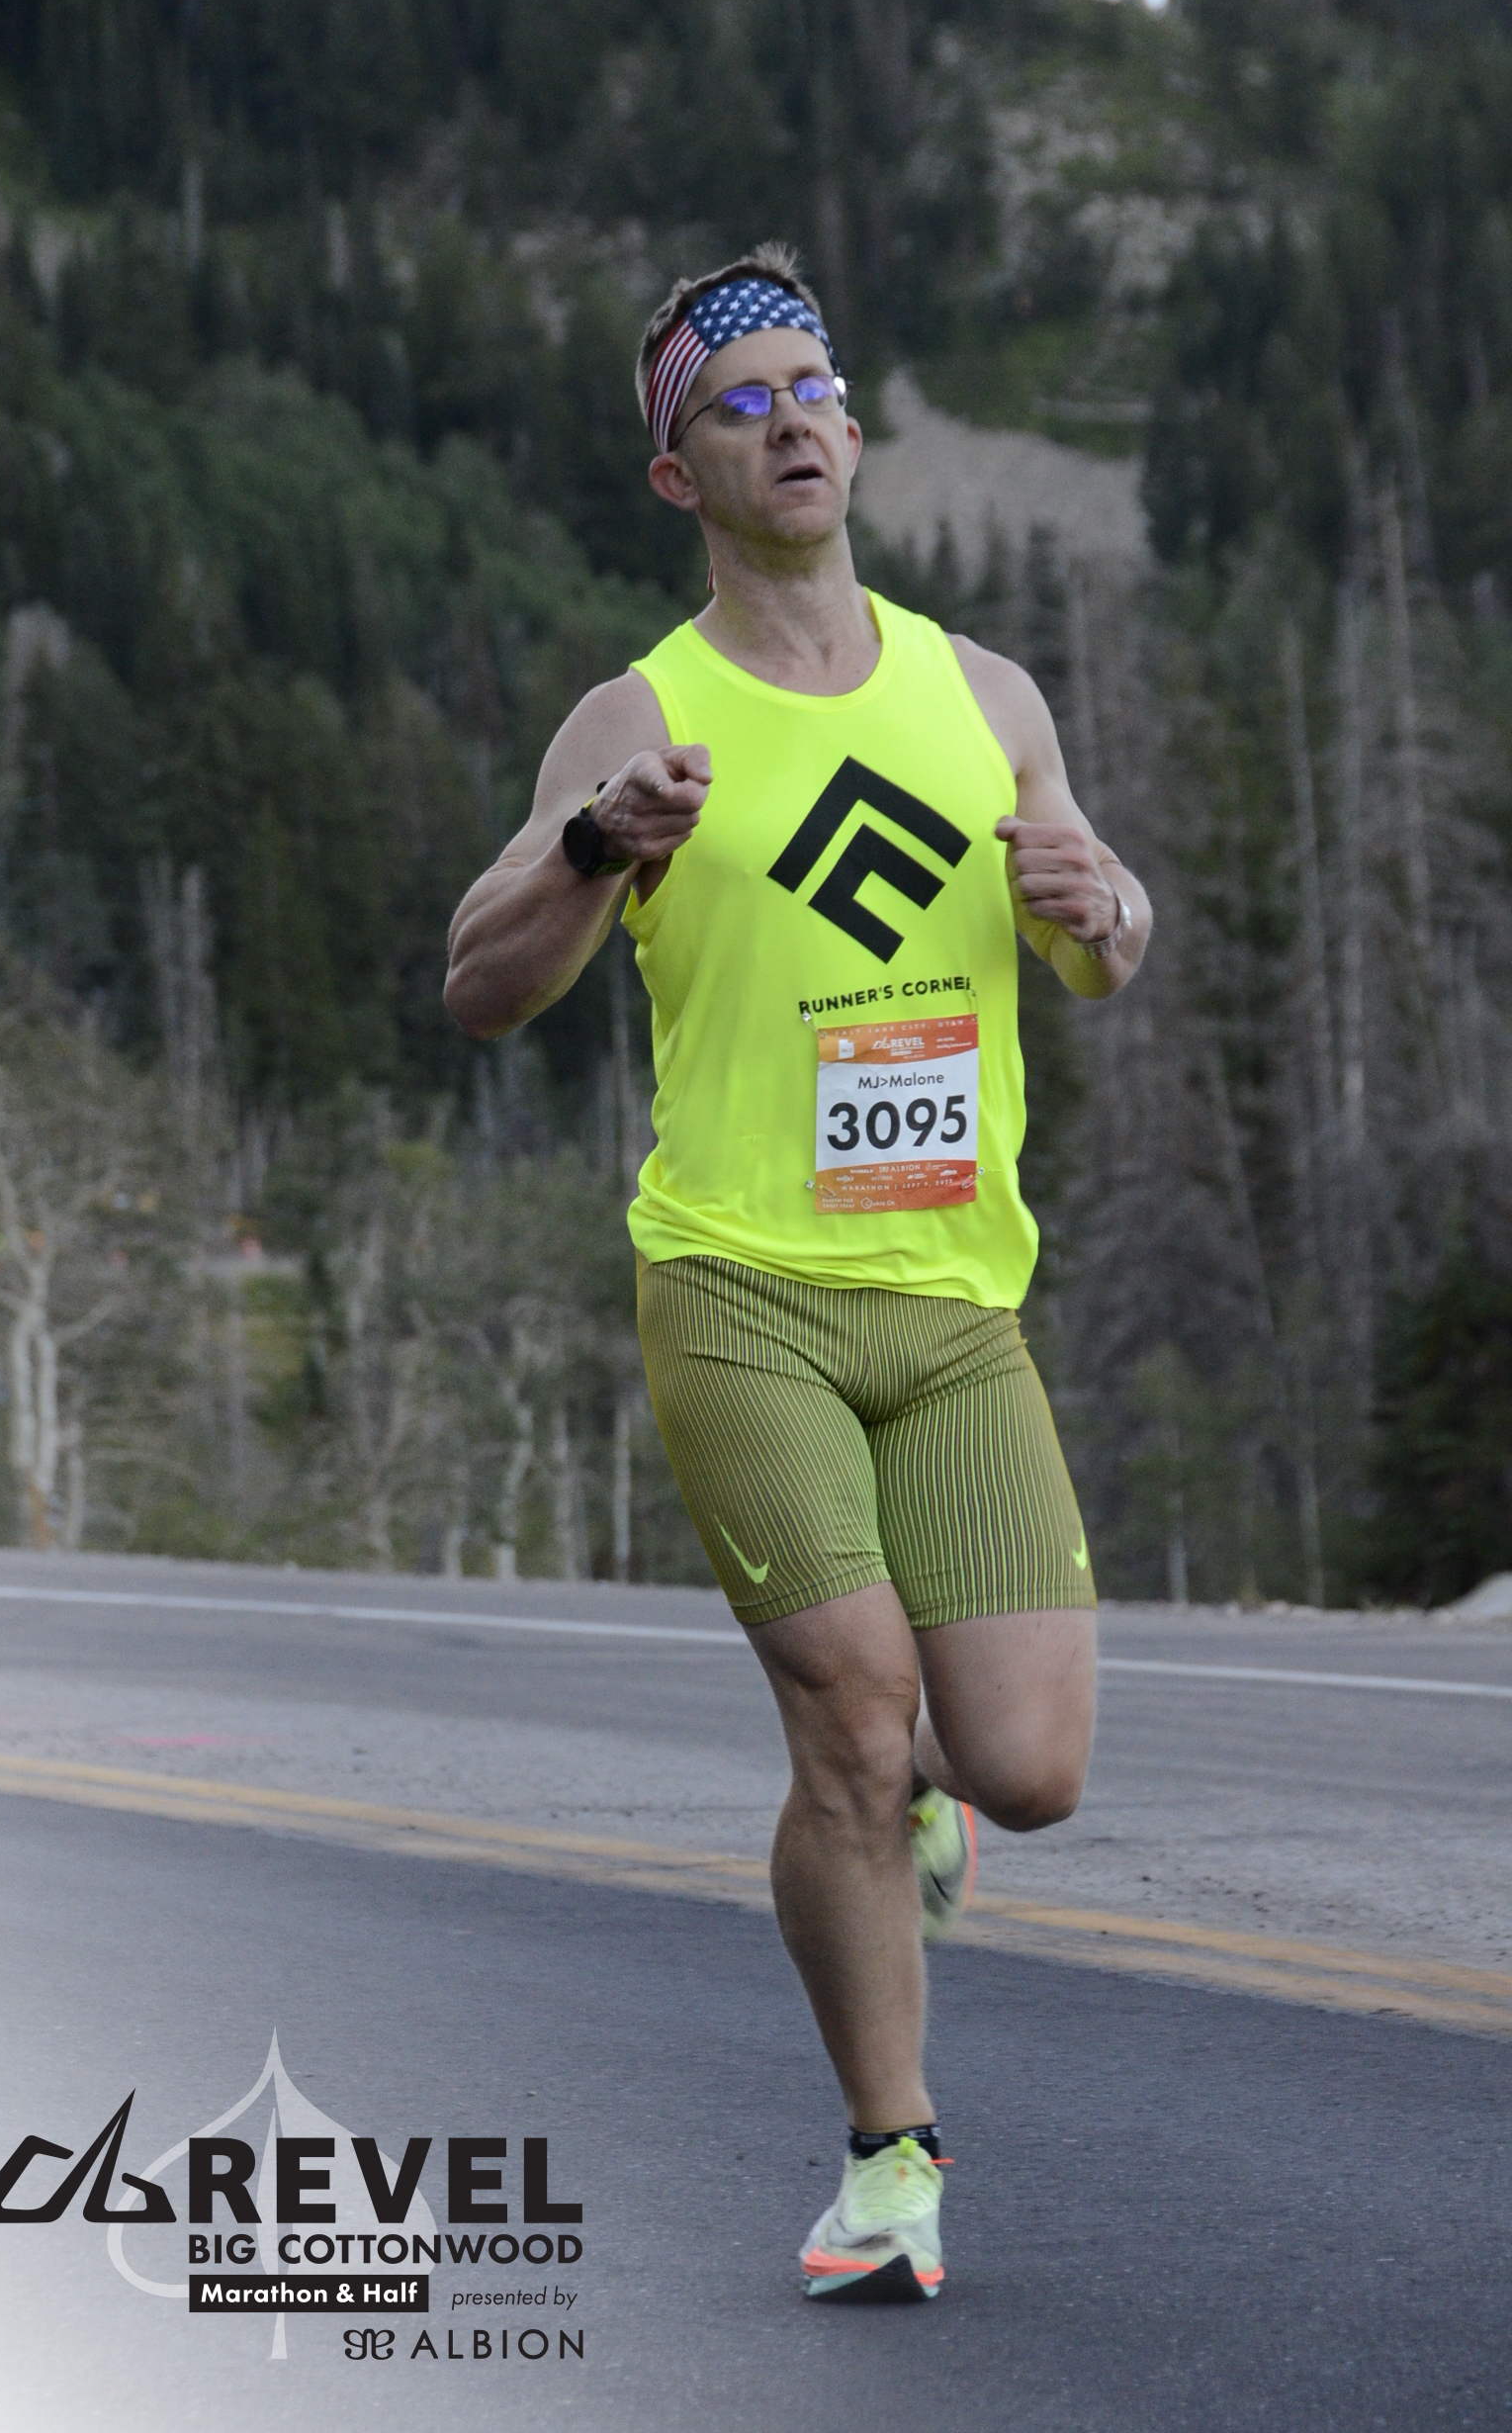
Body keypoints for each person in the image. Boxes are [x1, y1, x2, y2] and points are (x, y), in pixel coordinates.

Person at [445, 242, 1150, 2303]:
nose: (790, 425)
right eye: (738, 405)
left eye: (811, 389)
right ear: (681, 474)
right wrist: (595, 847)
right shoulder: (642, 716)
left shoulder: (982, 694)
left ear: (853, 426)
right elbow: (479, 981)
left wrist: (1108, 905)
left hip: (954, 1305)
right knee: (848, 1710)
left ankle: (920, 1786)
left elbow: (1100, 937)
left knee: (1025, 1770)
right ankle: (888, 2158)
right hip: (738, 1291)